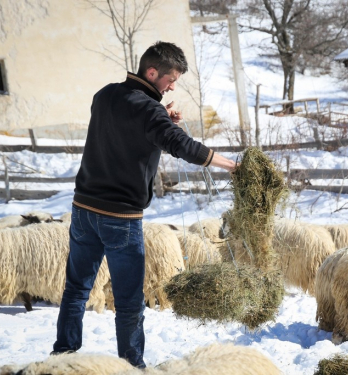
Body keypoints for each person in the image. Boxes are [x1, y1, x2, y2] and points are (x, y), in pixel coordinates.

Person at [52, 41, 237, 368]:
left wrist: (160, 117)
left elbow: (127, 126)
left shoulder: (105, 95)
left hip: (83, 210)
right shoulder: (149, 111)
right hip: (119, 218)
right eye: (171, 78)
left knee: (77, 291)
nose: (173, 86)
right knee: (129, 302)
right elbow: (182, 145)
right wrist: (233, 166)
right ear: (151, 72)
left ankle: (62, 357)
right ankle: (132, 366)